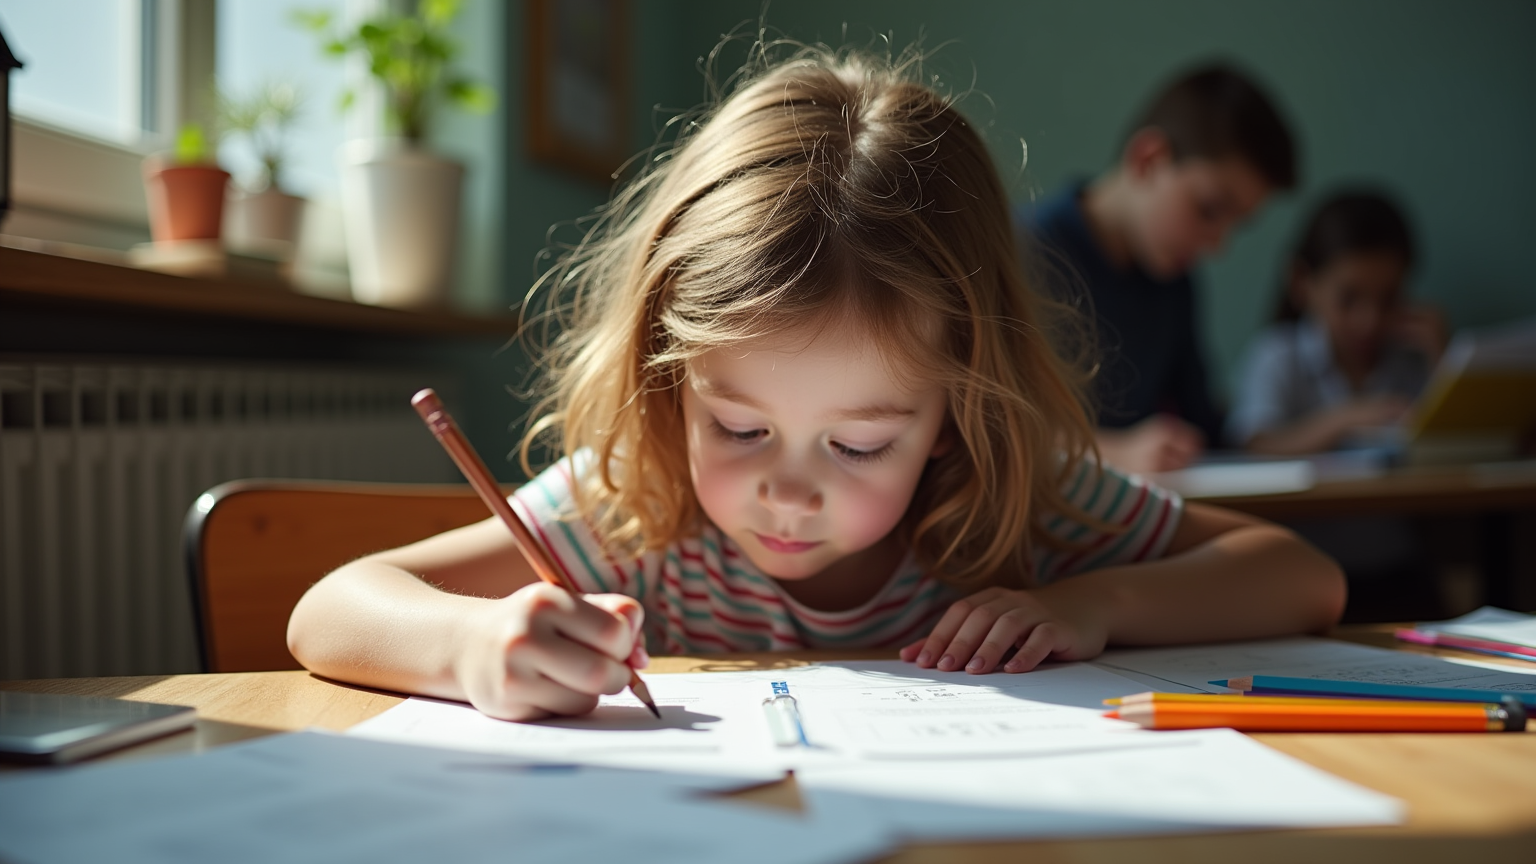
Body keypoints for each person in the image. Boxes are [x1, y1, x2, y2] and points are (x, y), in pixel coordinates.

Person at [287, 45, 1344, 722]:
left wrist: (1093, 602)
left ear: (954, 412)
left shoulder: (1014, 510)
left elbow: (1301, 577)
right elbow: (330, 607)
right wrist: (471, 645)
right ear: (673, 379)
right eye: (737, 425)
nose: (787, 494)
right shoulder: (638, 504)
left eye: (858, 445)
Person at [1018, 62, 1297, 474]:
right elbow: (986, 429)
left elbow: (1204, 427)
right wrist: (1116, 452)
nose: (1217, 245)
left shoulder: (1174, 280)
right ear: (1149, 159)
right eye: (1209, 210)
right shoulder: (1021, 252)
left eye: (1235, 225)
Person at [1226, 190, 1443, 453]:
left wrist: (1444, 360)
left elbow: (1455, 445)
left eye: (1388, 299)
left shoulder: (1413, 358)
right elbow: (1256, 445)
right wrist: (1346, 420)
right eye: (1348, 299)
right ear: (1301, 282)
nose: (1369, 321)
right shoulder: (1278, 355)